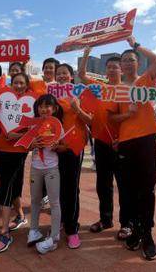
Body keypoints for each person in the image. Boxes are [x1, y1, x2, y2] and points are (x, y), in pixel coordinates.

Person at [108, 36, 156, 261]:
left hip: (147, 138)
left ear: (137, 63)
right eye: (125, 61)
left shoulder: (145, 81)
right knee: (129, 187)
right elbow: (113, 118)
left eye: (131, 59)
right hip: (126, 141)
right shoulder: (117, 89)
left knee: (147, 187)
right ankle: (136, 229)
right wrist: (126, 114)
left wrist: (135, 44)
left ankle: (147, 232)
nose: (128, 63)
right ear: (120, 67)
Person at [78, 47, 129, 240]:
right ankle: (105, 219)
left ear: (122, 70)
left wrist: (122, 138)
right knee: (103, 184)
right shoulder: (99, 87)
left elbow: (131, 118)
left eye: (115, 67)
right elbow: (81, 74)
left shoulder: (126, 90)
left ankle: (126, 223)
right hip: (100, 143)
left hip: (121, 144)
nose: (112, 70)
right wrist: (86, 53)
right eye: (109, 67)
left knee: (124, 185)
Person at [0, 73, 35, 253]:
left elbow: (35, 129)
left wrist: (17, 135)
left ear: (26, 85)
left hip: (19, 150)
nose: (18, 85)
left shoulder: (32, 104)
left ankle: (4, 231)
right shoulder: (2, 102)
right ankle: (21, 216)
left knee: (7, 186)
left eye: (21, 83)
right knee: (11, 184)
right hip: (2, 148)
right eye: (15, 82)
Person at [55, 63, 92, 249]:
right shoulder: (51, 96)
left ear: (71, 77)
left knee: (71, 188)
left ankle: (72, 229)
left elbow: (91, 121)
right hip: (54, 148)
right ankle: (61, 220)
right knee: (57, 187)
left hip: (72, 148)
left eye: (65, 73)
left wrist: (77, 109)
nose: (61, 76)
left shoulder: (79, 95)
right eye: (58, 73)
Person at [27, 94, 63, 254]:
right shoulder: (32, 125)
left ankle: (54, 237)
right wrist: (31, 144)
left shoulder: (57, 125)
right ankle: (33, 230)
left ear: (54, 109)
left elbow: (65, 147)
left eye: (47, 106)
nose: (44, 109)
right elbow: (26, 146)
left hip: (52, 168)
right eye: (41, 106)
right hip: (35, 167)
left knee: (54, 203)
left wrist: (58, 147)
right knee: (35, 201)